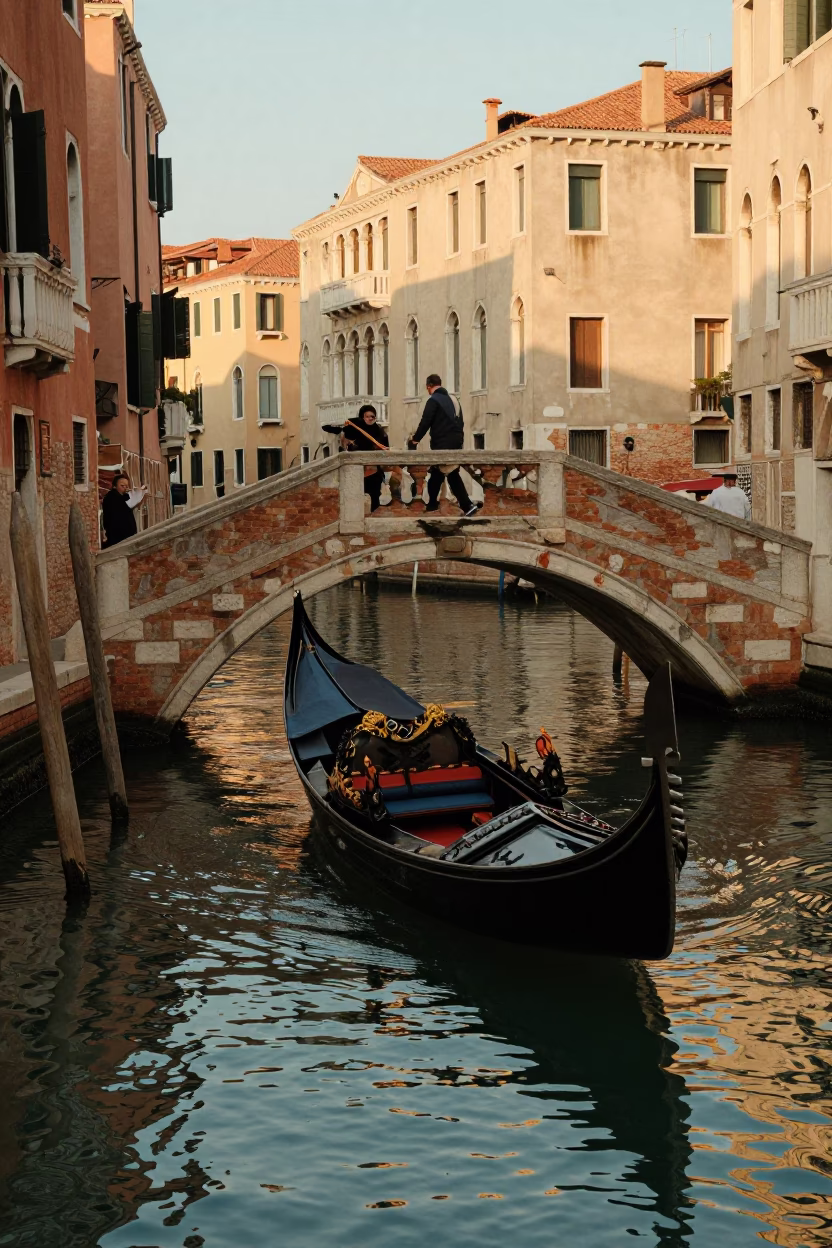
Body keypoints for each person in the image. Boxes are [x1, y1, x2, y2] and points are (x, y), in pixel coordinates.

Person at [407, 374, 478, 516]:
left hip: (442, 445)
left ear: (429, 386)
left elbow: (425, 422)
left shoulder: (433, 400)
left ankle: (464, 505)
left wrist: (415, 440)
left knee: (448, 473)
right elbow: (460, 423)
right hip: (457, 442)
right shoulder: (454, 400)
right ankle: (434, 504)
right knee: (439, 473)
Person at [340, 404, 389, 512]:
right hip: (357, 470)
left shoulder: (379, 430)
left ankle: (373, 516)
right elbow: (345, 442)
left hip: (373, 470)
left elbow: (385, 446)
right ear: (362, 417)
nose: (371, 418)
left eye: (373, 417)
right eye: (368, 416)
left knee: (375, 495)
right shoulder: (354, 429)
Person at [101, 472, 148, 547]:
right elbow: (127, 503)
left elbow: (134, 503)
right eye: (122, 486)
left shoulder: (123, 496)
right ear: (114, 486)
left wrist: (142, 495)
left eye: (126, 486)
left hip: (126, 536)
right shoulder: (111, 497)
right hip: (117, 536)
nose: (125, 488)